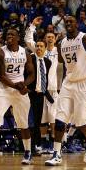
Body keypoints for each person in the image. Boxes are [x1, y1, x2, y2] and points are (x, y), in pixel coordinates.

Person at [44, 16, 86, 166]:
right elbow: (62, 61)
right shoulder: (61, 43)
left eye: (71, 22)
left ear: (76, 24)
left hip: (84, 83)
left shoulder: (85, 39)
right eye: (66, 22)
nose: (68, 24)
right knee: (60, 119)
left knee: (80, 121)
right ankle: (56, 154)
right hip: (68, 83)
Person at [0, 28, 35, 165]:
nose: (9, 36)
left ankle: (28, 152)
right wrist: (18, 87)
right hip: (4, 90)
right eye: (8, 34)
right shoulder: (0, 52)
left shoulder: (25, 53)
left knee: (23, 124)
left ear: (18, 38)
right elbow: (2, 76)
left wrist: (25, 85)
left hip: (19, 89)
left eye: (12, 34)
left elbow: (32, 74)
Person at [25, 18, 59, 154]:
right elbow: (28, 39)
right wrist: (33, 26)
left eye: (52, 37)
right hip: (38, 90)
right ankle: (41, 144)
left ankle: (54, 145)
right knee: (41, 120)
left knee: (53, 119)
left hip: (51, 89)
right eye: (48, 37)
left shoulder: (58, 51)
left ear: (55, 39)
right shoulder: (38, 50)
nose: (50, 39)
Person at [26, 39, 54, 155]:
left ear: (45, 48)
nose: (38, 48)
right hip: (29, 94)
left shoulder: (48, 62)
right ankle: (30, 147)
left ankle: (36, 146)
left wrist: (46, 94)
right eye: (37, 46)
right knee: (30, 122)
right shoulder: (31, 59)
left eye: (41, 46)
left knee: (37, 122)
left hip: (40, 95)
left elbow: (44, 80)